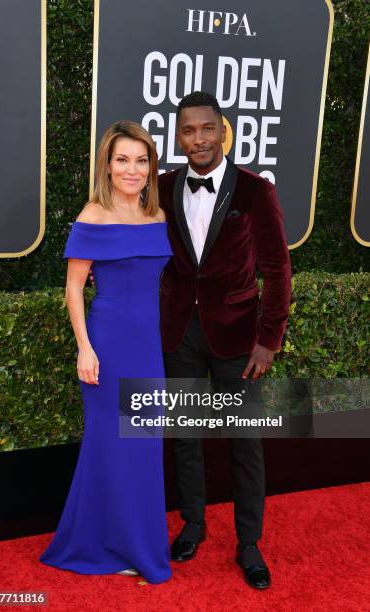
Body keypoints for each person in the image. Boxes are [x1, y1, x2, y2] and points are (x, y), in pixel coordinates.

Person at [159, 91, 292, 589]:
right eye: (189, 131)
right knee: (186, 437)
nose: (199, 139)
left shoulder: (257, 191)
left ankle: (249, 544)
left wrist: (269, 339)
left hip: (238, 337)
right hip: (179, 334)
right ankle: (193, 524)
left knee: (244, 442)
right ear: (179, 137)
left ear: (223, 132)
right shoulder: (165, 186)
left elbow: (278, 270)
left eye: (207, 129)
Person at [39, 121, 172, 585]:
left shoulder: (157, 216)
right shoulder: (93, 215)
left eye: (141, 159)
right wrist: (84, 349)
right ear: (108, 165)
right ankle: (101, 543)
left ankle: (134, 542)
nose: (132, 169)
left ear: (150, 165)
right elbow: (74, 288)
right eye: (122, 160)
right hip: (108, 346)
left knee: (142, 447)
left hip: (148, 347)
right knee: (110, 445)